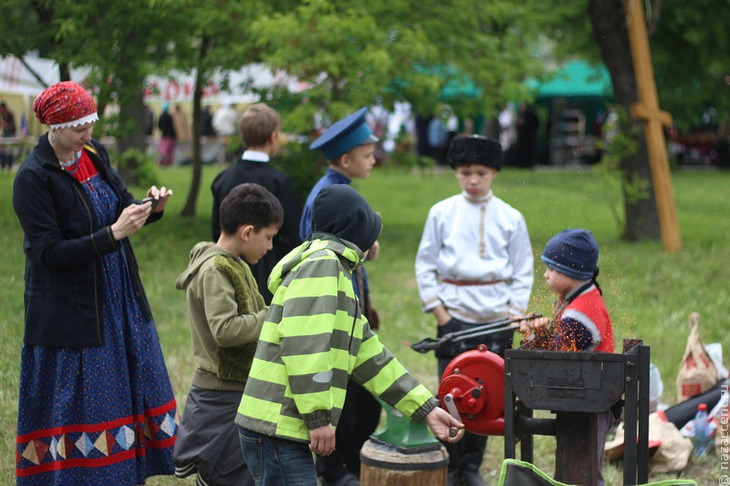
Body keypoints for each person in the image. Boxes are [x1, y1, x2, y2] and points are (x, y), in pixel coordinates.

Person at [236, 184, 465, 486]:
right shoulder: (323, 267)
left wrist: (424, 408)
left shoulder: (336, 272)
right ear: (355, 229)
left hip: (281, 426)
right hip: (276, 425)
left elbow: (371, 356)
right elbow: (306, 347)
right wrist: (319, 418)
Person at [12, 81, 177, 483]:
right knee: (87, 401)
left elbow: (121, 201)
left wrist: (148, 208)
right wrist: (113, 235)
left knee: (129, 385)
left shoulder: (92, 153)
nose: (88, 133)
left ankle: (129, 472)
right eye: (79, 126)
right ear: (53, 126)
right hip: (72, 308)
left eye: (90, 123)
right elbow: (49, 253)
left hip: (117, 295)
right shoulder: (33, 178)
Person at [415, 135, 534, 486]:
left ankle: (471, 468)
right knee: (452, 393)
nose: (473, 180)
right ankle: (450, 467)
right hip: (454, 316)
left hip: (496, 320)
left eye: (481, 172)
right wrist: (441, 315)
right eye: (465, 172)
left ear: (494, 172)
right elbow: (425, 265)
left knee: (489, 396)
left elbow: (523, 269)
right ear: (456, 173)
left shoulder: (511, 217)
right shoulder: (441, 212)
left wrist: (513, 314)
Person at [174, 183, 283, 486]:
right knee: (228, 471)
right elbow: (225, 329)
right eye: (269, 238)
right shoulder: (215, 270)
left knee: (238, 470)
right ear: (247, 232)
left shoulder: (234, 263)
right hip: (221, 390)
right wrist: (273, 316)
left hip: (235, 387)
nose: (270, 247)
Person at [302, 107, 382, 485]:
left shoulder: (340, 191)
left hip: (349, 310)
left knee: (359, 398)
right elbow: (320, 257)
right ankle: (331, 469)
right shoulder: (330, 195)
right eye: (368, 155)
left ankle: (343, 464)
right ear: (347, 159)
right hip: (333, 314)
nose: (374, 160)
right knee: (341, 395)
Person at [518, 228, 614, 486]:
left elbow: (559, 360)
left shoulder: (578, 315)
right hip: (591, 392)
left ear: (570, 272)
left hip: (587, 401)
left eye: (551, 268)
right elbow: (565, 344)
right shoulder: (586, 294)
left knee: (582, 468)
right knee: (583, 465)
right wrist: (540, 329)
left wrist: (531, 337)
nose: (545, 274)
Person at [211, 103, 301, 304]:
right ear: (272, 137)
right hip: (269, 273)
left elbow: (217, 231)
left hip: (227, 268)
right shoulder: (280, 182)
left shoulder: (222, 179)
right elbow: (293, 236)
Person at [1, 101, 17, 171]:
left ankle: (10, 166)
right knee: (2, 151)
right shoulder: (2, 115)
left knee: (9, 151)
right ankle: (3, 165)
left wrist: (6, 125)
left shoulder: (10, 114)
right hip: (4, 134)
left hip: (10, 134)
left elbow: (14, 126)